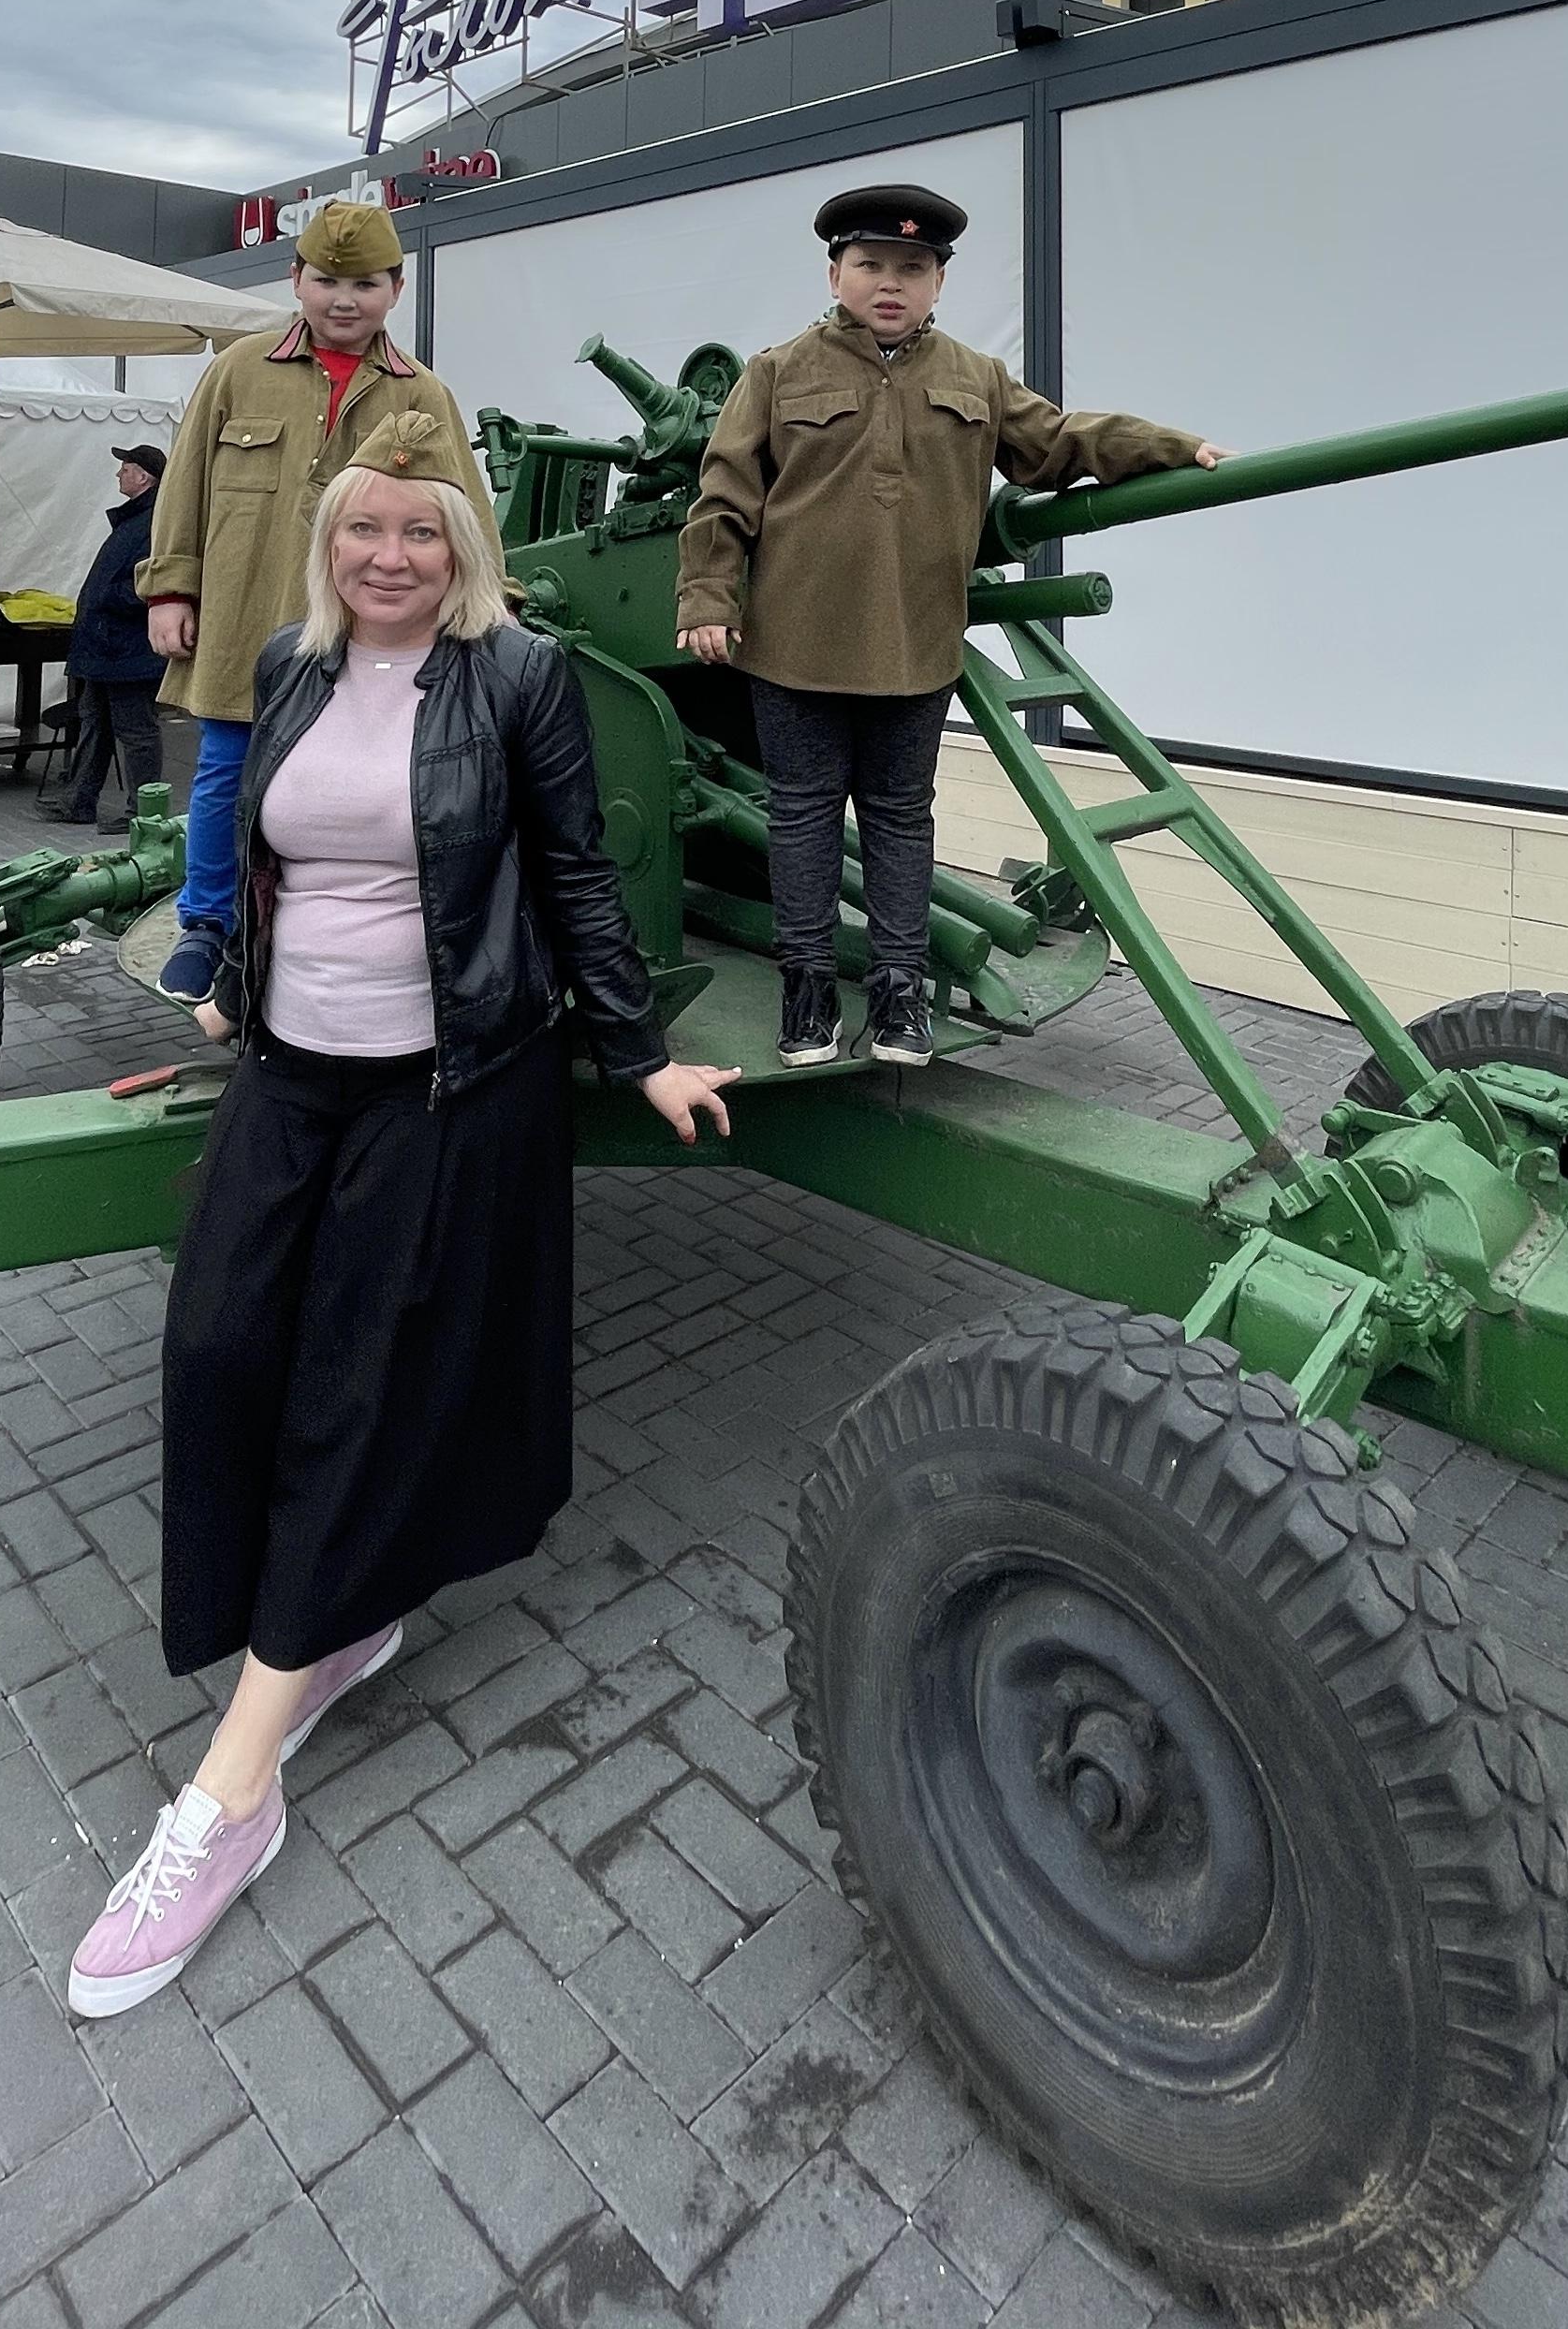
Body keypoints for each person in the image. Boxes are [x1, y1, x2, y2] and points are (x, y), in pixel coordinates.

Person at [66, 413, 734, 2017]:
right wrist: (230, 979)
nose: (390, 556)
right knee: (219, 1347)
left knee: (352, 1395)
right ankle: (338, 1623)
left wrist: (637, 1054)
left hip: (446, 1086)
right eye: (365, 528)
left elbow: (575, 872)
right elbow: (260, 853)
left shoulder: (517, 679)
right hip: (291, 1070)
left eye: (420, 532)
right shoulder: (291, 667)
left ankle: (232, 1794)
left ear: (462, 550)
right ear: (331, 543)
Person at [676, 181, 1221, 1073]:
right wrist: (706, 599)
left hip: (916, 647)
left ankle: (901, 999)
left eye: (913, 267)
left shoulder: (976, 379)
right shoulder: (776, 373)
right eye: (871, 264)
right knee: (803, 822)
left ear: (939, 283)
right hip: (794, 647)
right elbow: (724, 496)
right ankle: (807, 996)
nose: (890, 282)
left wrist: (1167, 447)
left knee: (901, 823)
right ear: (835, 273)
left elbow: (1059, 444)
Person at [137, 200, 494, 1004]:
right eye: (327, 280)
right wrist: (170, 588)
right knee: (226, 770)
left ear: (396, 289)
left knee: (359, 779)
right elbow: (185, 483)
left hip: (368, 632)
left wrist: (490, 608)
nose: (344, 299)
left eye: (364, 284)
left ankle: (324, 921)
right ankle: (207, 926)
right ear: (295, 279)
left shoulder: (423, 394)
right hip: (245, 613)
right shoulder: (238, 369)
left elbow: (465, 509)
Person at [40, 443, 169, 828]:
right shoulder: (138, 520)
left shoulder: (153, 522)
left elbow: (152, 581)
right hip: (108, 645)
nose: (119, 474)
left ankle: (144, 815)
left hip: (126, 647)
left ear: (143, 477)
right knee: (95, 723)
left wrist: (105, 598)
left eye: (125, 468)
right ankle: (79, 801)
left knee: (136, 731)